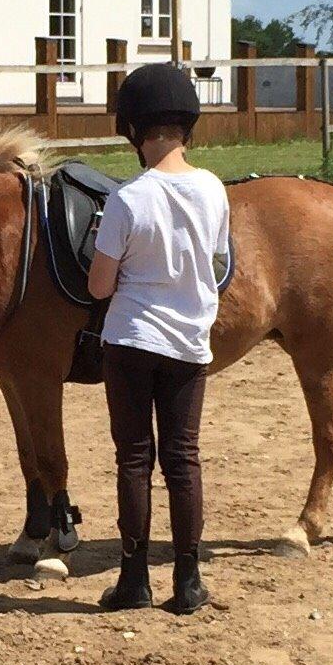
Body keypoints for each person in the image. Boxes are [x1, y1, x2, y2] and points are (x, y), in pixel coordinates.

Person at [88, 64, 230, 614]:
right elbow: (216, 260)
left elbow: (100, 286)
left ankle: (133, 579)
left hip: (130, 342)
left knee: (133, 460)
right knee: (183, 459)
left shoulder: (128, 199)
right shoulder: (214, 189)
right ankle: (188, 581)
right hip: (190, 344)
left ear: (134, 130)